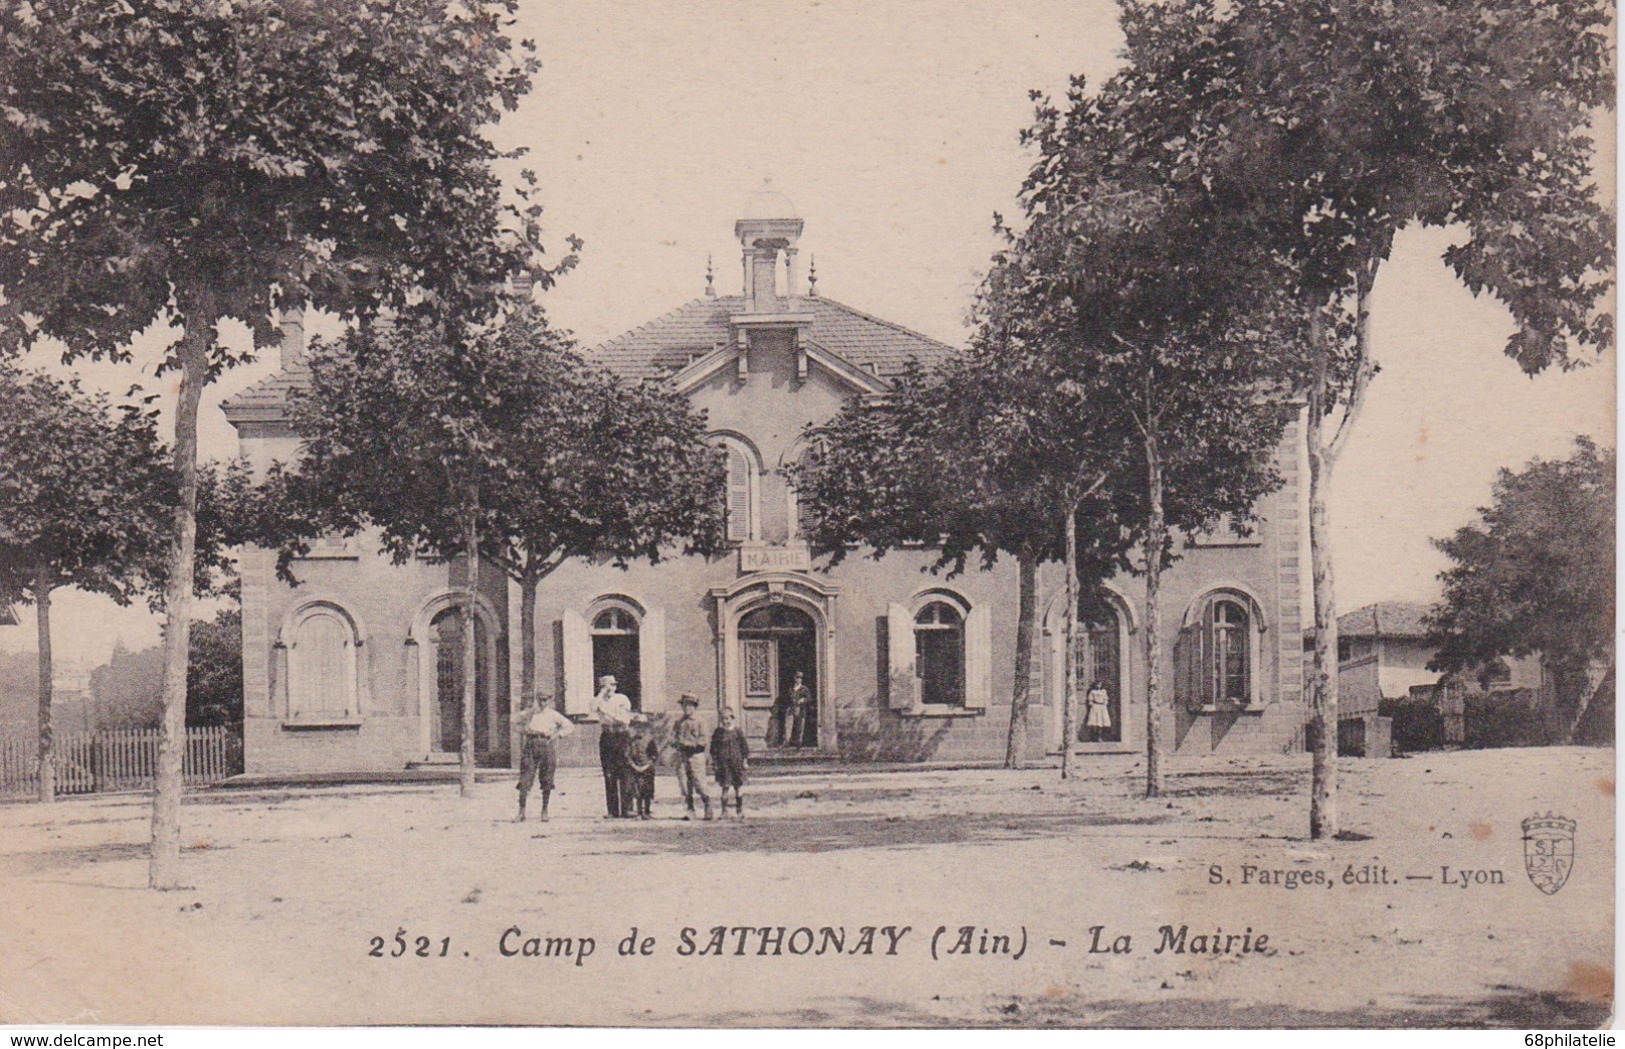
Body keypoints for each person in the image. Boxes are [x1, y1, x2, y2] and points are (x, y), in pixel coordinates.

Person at [515, 693, 573, 822]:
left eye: (545, 700)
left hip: (546, 744)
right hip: (531, 744)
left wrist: (558, 734)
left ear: (549, 701)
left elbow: (569, 726)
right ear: (536, 700)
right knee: (525, 778)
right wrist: (524, 730)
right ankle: (521, 812)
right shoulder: (529, 713)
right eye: (540, 700)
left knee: (547, 778)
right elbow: (515, 723)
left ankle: (544, 811)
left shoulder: (553, 714)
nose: (542, 703)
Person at [593, 675, 633, 818]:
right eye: (607, 686)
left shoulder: (622, 699)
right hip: (607, 737)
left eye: (613, 685)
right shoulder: (599, 700)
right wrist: (601, 695)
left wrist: (605, 711)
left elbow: (622, 719)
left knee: (625, 772)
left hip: (621, 736)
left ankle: (627, 808)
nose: (611, 689)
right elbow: (592, 708)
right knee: (609, 774)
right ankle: (612, 810)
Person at [670, 692, 713, 820]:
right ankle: (690, 810)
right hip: (682, 755)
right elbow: (672, 737)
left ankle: (707, 806)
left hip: (696, 755)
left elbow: (704, 740)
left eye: (690, 706)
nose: (687, 708)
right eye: (684, 705)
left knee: (699, 782)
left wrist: (689, 743)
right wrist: (675, 743)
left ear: (695, 707)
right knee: (684, 784)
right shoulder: (679, 722)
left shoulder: (700, 721)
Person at [710, 706, 750, 819]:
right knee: (725, 787)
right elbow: (714, 750)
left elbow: (744, 748)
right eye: (723, 719)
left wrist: (745, 761)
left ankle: (739, 810)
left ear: (732, 718)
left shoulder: (738, 732)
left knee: (738, 787)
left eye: (727, 719)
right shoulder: (718, 733)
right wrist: (715, 763)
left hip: (736, 764)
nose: (725, 721)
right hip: (724, 765)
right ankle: (724, 811)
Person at [624, 713, 659, 820]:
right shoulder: (631, 741)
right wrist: (633, 765)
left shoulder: (649, 740)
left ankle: (647, 811)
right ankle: (639, 812)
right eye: (636, 726)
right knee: (637, 791)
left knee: (647, 790)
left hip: (647, 769)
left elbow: (654, 755)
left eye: (642, 726)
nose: (639, 729)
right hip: (635, 768)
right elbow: (627, 755)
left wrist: (647, 765)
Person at [788, 671, 814, 748]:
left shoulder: (804, 689)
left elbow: (809, 698)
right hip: (792, 710)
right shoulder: (791, 689)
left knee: (800, 726)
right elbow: (788, 699)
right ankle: (791, 742)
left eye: (800, 678)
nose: (799, 679)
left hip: (801, 710)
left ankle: (799, 742)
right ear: (794, 678)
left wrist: (803, 700)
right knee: (792, 726)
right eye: (797, 677)